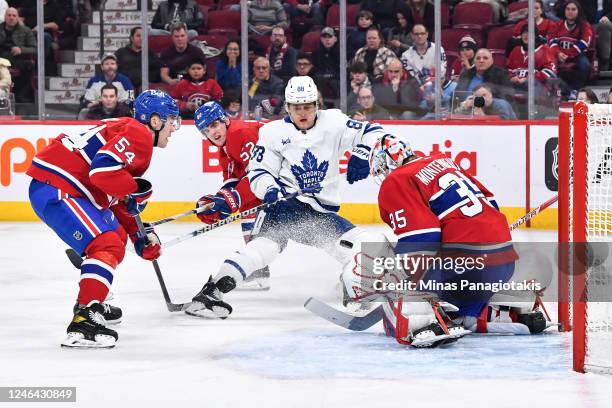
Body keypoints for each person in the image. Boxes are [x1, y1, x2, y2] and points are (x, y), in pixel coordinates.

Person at [184, 75, 388, 319]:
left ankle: (212, 290)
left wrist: (364, 153)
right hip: (286, 206)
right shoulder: (272, 133)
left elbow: (374, 131)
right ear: (288, 108)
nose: (302, 112)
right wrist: (265, 190)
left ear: (316, 105)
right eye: (296, 107)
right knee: (361, 243)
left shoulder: (334, 122)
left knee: (266, 247)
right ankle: (355, 286)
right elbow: (258, 172)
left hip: (317, 212)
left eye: (307, 106)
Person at [357, 134, 546, 347]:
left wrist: (406, 279)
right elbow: (491, 205)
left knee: (391, 265)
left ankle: (421, 322)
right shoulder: (444, 162)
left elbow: (422, 236)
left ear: (386, 162)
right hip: (504, 261)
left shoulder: (397, 179)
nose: (383, 176)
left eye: (381, 169)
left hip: (462, 264)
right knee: (458, 309)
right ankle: (507, 313)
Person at [26, 90, 180, 348]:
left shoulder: (127, 128)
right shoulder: (139, 134)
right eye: (171, 120)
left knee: (117, 237)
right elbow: (102, 172)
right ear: (155, 121)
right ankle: (84, 319)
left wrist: (138, 233)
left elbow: (114, 193)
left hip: (62, 186)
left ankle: (93, 297)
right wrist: (134, 190)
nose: (173, 128)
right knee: (105, 244)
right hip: (60, 188)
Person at [192, 101, 270, 290]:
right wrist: (217, 202)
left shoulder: (241, 133)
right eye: (206, 130)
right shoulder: (224, 149)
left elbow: (257, 175)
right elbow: (233, 181)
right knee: (246, 208)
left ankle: (258, 266)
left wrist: (229, 200)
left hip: (289, 173)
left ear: (225, 120)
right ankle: (259, 269)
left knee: (249, 203)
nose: (212, 132)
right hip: (272, 179)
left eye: (214, 125)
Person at [547, 0, 593, 95]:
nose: (570, 11)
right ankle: (552, 91)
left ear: (578, 11)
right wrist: (558, 53)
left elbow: (584, 42)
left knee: (585, 64)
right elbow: (551, 40)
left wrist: (568, 54)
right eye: (568, 9)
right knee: (548, 64)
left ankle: (576, 90)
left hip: (576, 55)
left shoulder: (584, 25)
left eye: (573, 9)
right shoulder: (557, 25)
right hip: (558, 55)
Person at [79, 53, 135, 120]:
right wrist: (95, 104)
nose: (110, 66)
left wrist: (115, 104)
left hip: (119, 112)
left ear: (116, 66)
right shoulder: (94, 81)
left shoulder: (125, 80)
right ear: (102, 67)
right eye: (107, 64)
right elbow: (86, 100)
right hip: (98, 111)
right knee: (84, 112)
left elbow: (130, 100)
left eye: (112, 63)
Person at [0, 7, 35, 103]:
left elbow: (35, 48)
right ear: (5, 17)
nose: (11, 18)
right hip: (1, 59)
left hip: (17, 58)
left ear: (18, 18)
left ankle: (22, 94)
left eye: (14, 15)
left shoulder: (26, 30)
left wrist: (21, 50)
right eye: (9, 15)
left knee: (29, 65)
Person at [311, 26, 340, 99]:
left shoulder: (341, 53)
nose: (327, 39)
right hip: (321, 80)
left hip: (336, 81)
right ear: (321, 39)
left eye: (329, 37)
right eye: (324, 37)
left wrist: (330, 76)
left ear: (335, 39)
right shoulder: (316, 53)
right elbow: (315, 69)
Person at [595, 0, 612, 70]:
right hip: (590, 23)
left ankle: (604, 60)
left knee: (605, 25)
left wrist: (607, 17)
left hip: (608, 22)